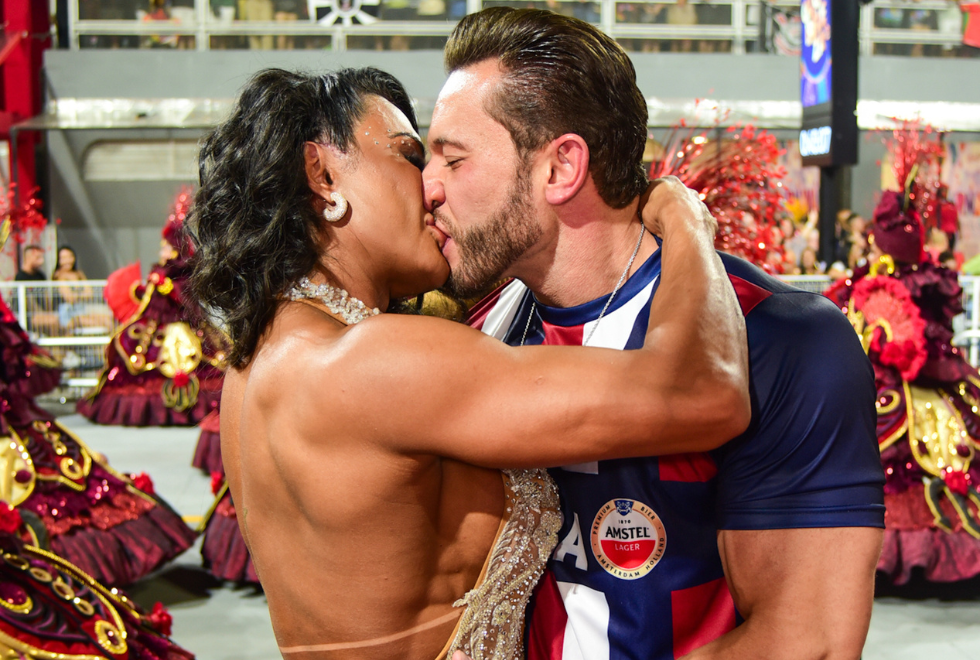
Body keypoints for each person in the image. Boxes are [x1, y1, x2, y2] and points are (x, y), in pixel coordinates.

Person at [189, 67, 750, 659]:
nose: (432, 187)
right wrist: (686, 221)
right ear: (323, 175)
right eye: (410, 156)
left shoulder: (258, 360)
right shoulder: (375, 360)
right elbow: (704, 391)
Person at [422, 9, 884, 659]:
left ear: (560, 168)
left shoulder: (781, 339)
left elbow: (806, 640)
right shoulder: (481, 328)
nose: (428, 188)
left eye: (453, 159)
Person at [77, 193, 227, 427]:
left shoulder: (183, 273)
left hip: (182, 327)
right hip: (154, 326)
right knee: (131, 352)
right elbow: (149, 300)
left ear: (175, 249)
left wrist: (168, 287)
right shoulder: (161, 271)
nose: (162, 252)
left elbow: (187, 300)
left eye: (165, 247)